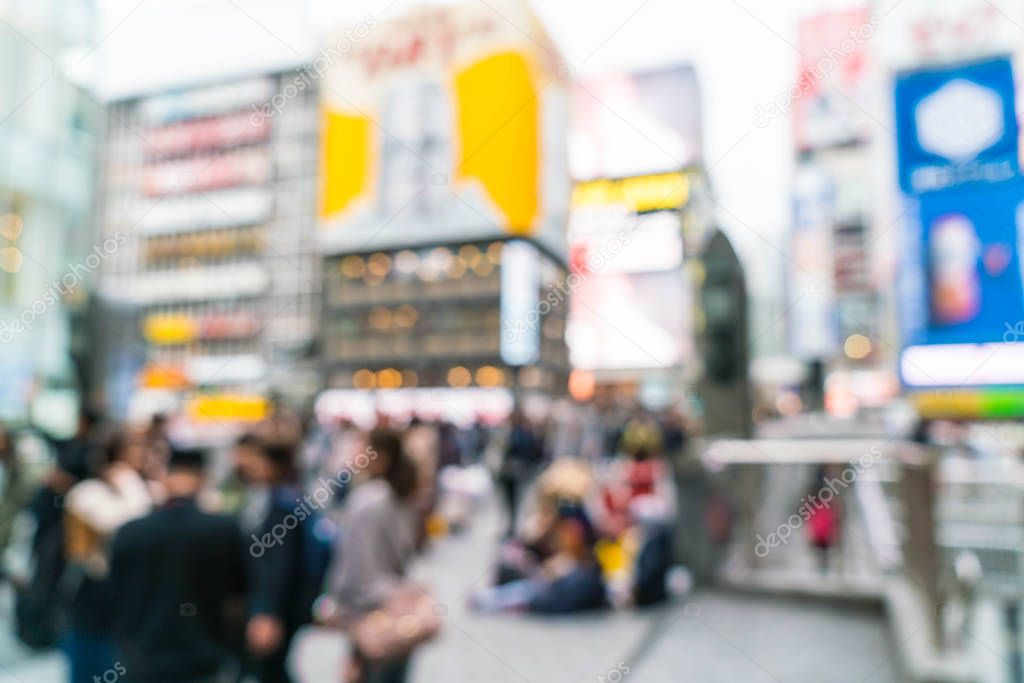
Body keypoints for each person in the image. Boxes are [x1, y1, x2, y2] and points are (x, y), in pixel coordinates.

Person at [109, 447, 247, 683]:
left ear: (164, 478)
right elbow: (239, 598)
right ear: (203, 478)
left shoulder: (130, 532)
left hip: (141, 662)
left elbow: (114, 597)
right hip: (204, 661)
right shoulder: (224, 529)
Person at [62, 429, 153, 683]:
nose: (147, 457)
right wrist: (130, 483)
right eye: (138, 449)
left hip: (135, 594)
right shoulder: (88, 492)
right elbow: (129, 527)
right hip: (95, 592)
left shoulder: (148, 489)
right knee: (92, 665)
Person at [332, 427, 420, 683]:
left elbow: (354, 568)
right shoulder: (400, 495)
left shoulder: (368, 501)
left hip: (369, 611)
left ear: (379, 456)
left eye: (360, 447)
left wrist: (341, 607)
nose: (353, 454)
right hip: (395, 608)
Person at [238, 435, 307, 683]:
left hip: (277, 609)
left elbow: (279, 564)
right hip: (282, 607)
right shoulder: (283, 497)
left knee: (269, 670)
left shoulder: (280, 506)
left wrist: (269, 612)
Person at [497, 410, 542, 537]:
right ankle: (513, 526)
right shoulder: (523, 433)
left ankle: (514, 527)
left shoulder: (517, 434)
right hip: (517, 473)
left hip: (513, 473)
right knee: (514, 501)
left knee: (513, 501)